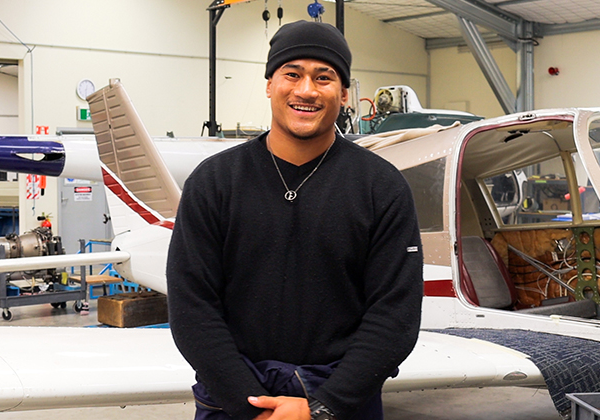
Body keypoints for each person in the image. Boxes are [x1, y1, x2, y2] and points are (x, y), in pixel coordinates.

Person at [167, 20, 422, 420]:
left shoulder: (381, 187)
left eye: (324, 77)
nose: (306, 90)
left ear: (343, 93)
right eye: (292, 74)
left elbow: (395, 316)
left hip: (342, 398)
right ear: (270, 84)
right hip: (233, 397)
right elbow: (192, 308)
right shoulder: (213, 182)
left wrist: (323, 408)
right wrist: (248, 404)